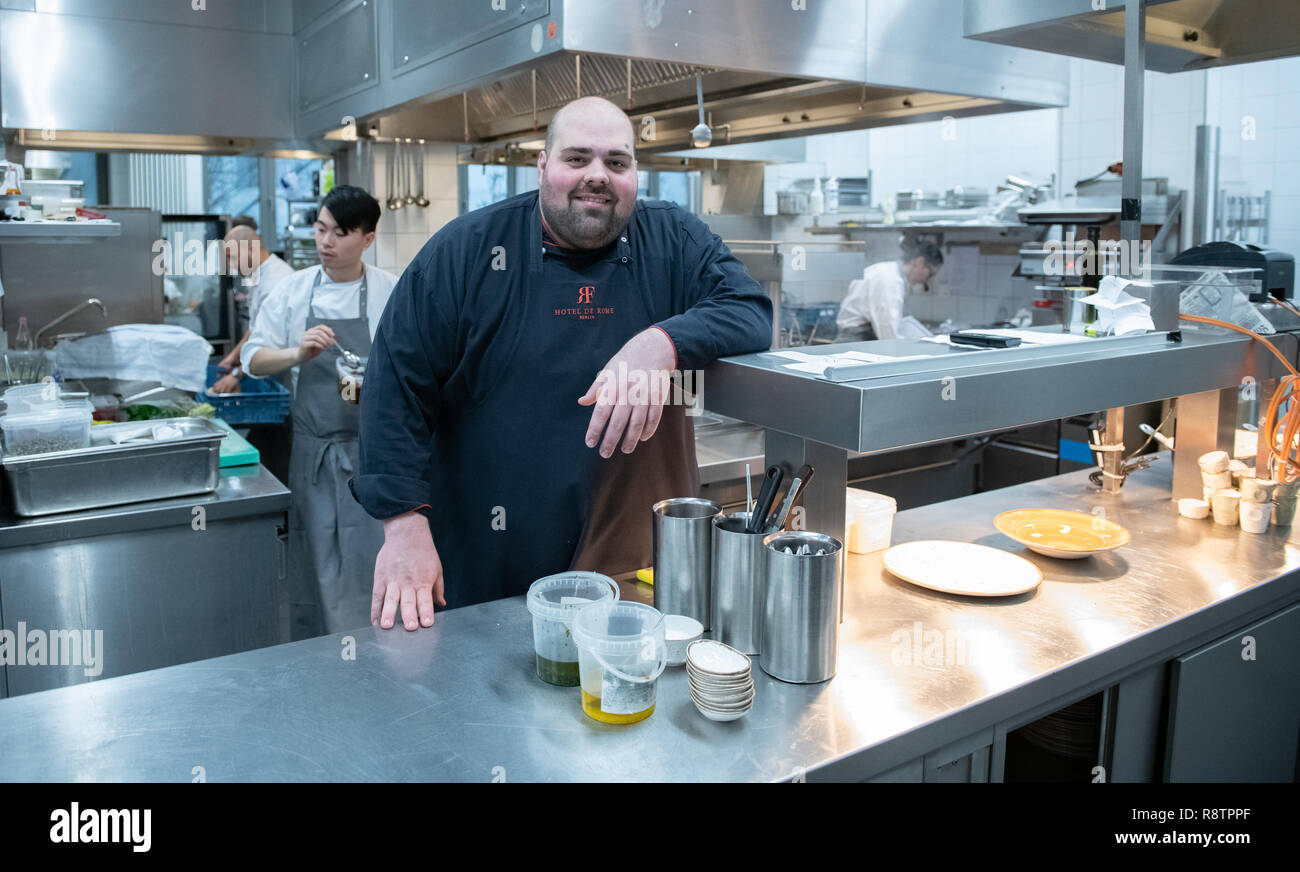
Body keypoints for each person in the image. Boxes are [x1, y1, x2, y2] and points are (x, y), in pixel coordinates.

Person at [354, 96, 773, 631]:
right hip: (491, 568)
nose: (597, 175)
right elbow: (395, 384)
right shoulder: (466, 252)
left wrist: (661, 343)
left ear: (635, 174)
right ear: (542, 167)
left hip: (634, 569)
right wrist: (403, 523)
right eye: (577, 158)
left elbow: (750, 309)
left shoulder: (673, 240)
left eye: (616, 163)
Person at [241, 186, 399, 639]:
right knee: (316, 560)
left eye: (340, 233)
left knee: (372, 558)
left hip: (373, 457)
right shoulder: (293, 292)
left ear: (367, 239)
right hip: (312, 455)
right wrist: (296, 352)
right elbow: (253, 359)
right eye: (320, 229)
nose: (325, 243)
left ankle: (382, 653)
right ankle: (320, 659)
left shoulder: (391, 291)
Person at [212, 219, 295, 394]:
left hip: (282, 375)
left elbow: (272, 343)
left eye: (232, 257)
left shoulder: (275, 281)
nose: (231, 265)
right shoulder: (260, 276)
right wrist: (233, 356)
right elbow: (257, 327)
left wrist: (236, 374)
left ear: (250, 249)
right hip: (268, 369)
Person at [836, 241, 943, 341]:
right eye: (931, 274)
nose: (926, 280)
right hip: (856, 340)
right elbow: (887, 333)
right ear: (919, 262)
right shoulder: (890, 280)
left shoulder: (884, 269)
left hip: (856, 337)